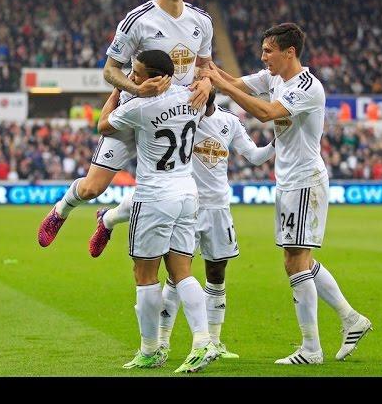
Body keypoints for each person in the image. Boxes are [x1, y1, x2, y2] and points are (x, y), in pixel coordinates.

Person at [201, 23, 372, 364]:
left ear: (289, 52)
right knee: (300, 261)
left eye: (268, 51)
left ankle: (311, 348)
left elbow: (266, 112)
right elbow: (235, 82)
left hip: (305, 182)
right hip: (289, 182)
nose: (263, 57)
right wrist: (206, 68)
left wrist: (220, 84)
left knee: (295, 263)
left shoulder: (307, 87)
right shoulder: (273, 78)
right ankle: (352, 319)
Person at [38, 0, 213, 248]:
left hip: (175, 116)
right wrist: (137, 88)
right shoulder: (138, 21)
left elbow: (207, 65)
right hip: (137, 109)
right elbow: (110, 70)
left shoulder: (202, 21)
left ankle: (107, 220)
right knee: (93, 187)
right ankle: (61, 210)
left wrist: (207, 82)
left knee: (166, 189)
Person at [94, 89, 276, 359]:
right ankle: (163, 341)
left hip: (218, 209)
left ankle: (213, 342)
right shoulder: (183, 114)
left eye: (206, 82)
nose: (202, 85)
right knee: (176, 275)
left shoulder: (230, 122)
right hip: (186, 203)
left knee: (216, 274)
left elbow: (256, 156)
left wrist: (278, 140)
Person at [98, 49, 219, 373]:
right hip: (187, 191)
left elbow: (103, 125)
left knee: (145, 275)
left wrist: (118, 90)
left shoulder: (139, 106)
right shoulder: (193, 96)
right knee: (181, 272)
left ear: (153, 76)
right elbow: (209, 103)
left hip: (154, 197)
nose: (132, 78)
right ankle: (203, 340)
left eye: (136, 73)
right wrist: (206, 84)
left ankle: (151, 350)